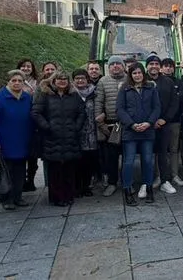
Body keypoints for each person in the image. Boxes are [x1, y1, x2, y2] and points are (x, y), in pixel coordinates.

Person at [32, 70, 85, 206]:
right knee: (55, 169)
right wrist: (47, 126)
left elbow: (81, 112)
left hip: (70, 136)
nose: (62, 81)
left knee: (69, 168)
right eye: (59, 79)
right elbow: (36, 113)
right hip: (52, 137)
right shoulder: (45, 95)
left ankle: (69, 195)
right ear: (53, 81)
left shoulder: (74, 96)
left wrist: (76, 127)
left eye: (64, 79)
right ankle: (57, 198)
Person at [117, 62, 161, 205]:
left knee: (148, 161)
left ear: (143, 74)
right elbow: (120, 109)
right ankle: (127, 190)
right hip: (130, 132)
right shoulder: (124, 89)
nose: (137, 75)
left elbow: (156, 108)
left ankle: (149, 188)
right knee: (128, 162)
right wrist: (131, 124)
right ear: (130, 75)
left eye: (139, 73)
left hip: (147, 131)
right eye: (134, 73)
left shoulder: (151, 88)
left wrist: (149, 123)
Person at [0, 70, 33, 210]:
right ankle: (7, 199)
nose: (17, 83)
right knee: (7, 171)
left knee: (20, 170)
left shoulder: (27, 97)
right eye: (14, 80)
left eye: (20, 81)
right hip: (6, 140)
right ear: (8, 82)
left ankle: (18, 196)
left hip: (23, 139)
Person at [146, 55, 180, 195]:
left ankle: (164, 180)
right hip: (146, 125)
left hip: (164, 123)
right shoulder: (141, 80)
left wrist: (164, 119)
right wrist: (149, 121)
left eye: (156, 64)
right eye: (151, 64)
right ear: (147, 66)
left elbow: (174, 103)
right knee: (147, 154)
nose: (154, 66)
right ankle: (147, 181)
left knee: (163, 153)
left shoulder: (167, 82)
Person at [95, 55, 127, 197]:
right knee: (111, 156)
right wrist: (100, 122)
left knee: (128, 155)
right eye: (112, 64)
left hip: (127, 123)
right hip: (110, 124)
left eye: (118, 64)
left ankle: (127, 182)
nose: (115, 66)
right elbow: (98, 102)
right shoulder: (103, 81)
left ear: (123, 66)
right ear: (108, 67)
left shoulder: (129, 79)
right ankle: (112, 183)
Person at [72, 69, 99, 197]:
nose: (80, 80)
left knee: (89, 161)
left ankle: (86, 186)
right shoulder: (70, 93)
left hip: (92, 132)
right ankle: (76, 186)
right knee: (77, 161)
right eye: (77, 78)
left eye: (82, 78)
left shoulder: (94, 93)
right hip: (75, 133)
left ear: (87, 79)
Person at [160, 58, 183, 186]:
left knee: (174, 149)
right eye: (166, 66)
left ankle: (175, 175)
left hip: (174, 120)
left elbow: (180, 98)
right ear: (161, 68)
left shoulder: (178, 82)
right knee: (160, 150)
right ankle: (159, 176)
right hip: (159, 121)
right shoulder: (157, 81)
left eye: (170, 66)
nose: (168, 68)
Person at [16, 58, 39, 190]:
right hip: (20, 120)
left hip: (34, 121)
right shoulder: (16, 81)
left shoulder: (37, 82)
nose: (26, 68)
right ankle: (20, 180)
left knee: (33, 154)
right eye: (23, 66)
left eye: (28, 66)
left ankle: (30, 180)